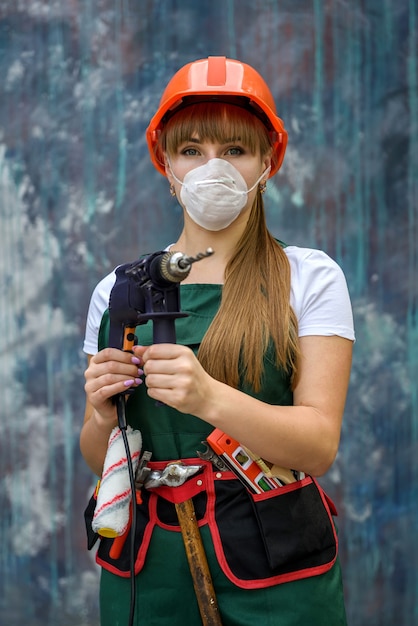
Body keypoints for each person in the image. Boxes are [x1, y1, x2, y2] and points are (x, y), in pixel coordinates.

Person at [81, 56, 355, 625]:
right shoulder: (118, 289)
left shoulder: (309, 276)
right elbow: (98, 458)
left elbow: (318, 446)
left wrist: (209, 397)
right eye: (192, 151)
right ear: (165, 162)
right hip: (147, 573)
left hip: (277, 572)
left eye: (234, 151)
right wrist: (101, 416)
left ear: (267, 161)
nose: (214, 169)